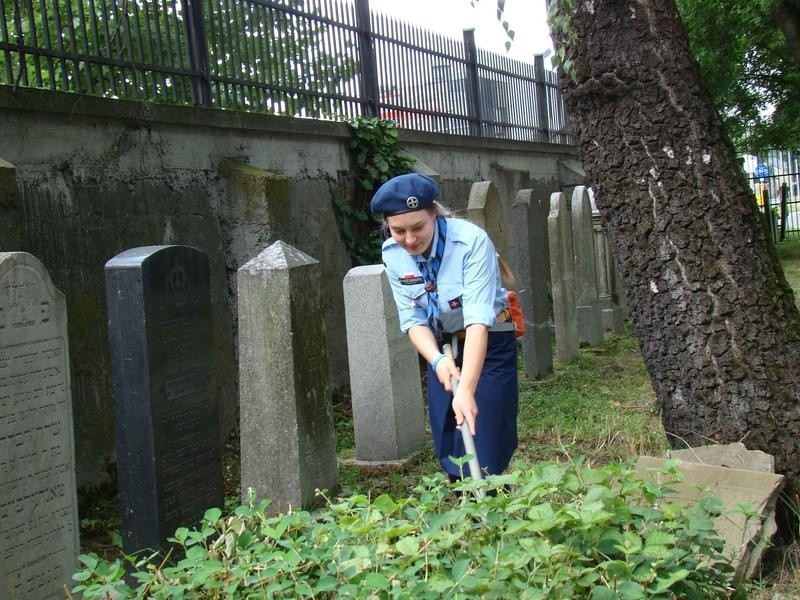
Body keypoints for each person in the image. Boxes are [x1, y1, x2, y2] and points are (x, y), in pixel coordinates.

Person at [370, 172, 518, 481]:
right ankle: (464, 515)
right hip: (443, 350)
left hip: (487, 343)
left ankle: (493, 513)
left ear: (434, 214)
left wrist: (466, 389)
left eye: (418, 227)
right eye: (398, 231)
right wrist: (437, 361)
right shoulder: (393, 254)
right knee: (450, 440)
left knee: (485, 438)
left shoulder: (470, 242)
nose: (409, 239)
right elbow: (412, 320)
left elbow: (478, 320)